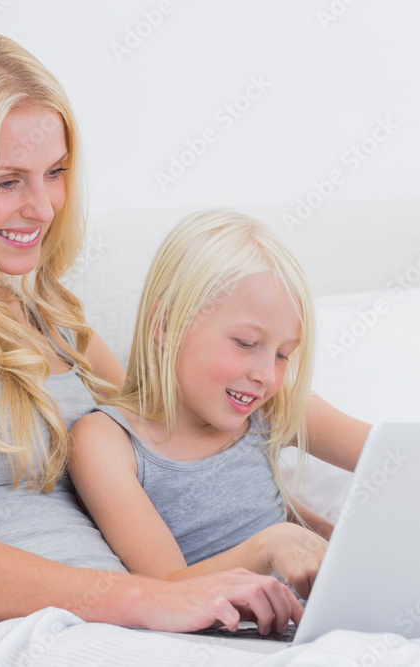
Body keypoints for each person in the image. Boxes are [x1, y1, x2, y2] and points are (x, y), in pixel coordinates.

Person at [0, 29, 367, 667]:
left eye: (56, 173)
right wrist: (144, 599)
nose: (41, 206)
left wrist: (303, 526)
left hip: (117, 629)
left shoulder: (60, 325)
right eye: (7, 180)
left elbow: (162, 458)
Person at [69, 210, 345, 601]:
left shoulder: (273, 408)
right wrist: (270, 545)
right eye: (246, 343)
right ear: (166, 326)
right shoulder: (106, 442)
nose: (267, 375)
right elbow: (164, 588)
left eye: (283, 354)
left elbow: (400, 453)